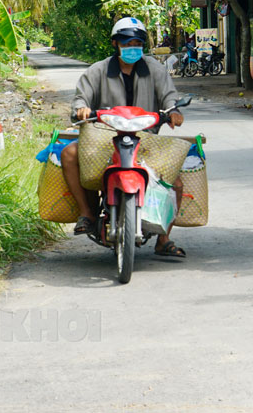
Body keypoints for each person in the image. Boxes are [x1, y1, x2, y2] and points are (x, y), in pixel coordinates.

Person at [61, 17, 187, 258]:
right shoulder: (97, 70)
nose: (133, 47)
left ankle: (164, 238)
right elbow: (81, 98)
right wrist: (81, 109)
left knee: (177, 183)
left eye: (138, 43)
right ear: (115, 44)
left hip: (146, 139)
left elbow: (169, 97)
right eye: (127, 42)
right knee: (69, 153)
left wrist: (174, 112)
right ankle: (87, 213)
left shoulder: (155, 69)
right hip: (103, 139)